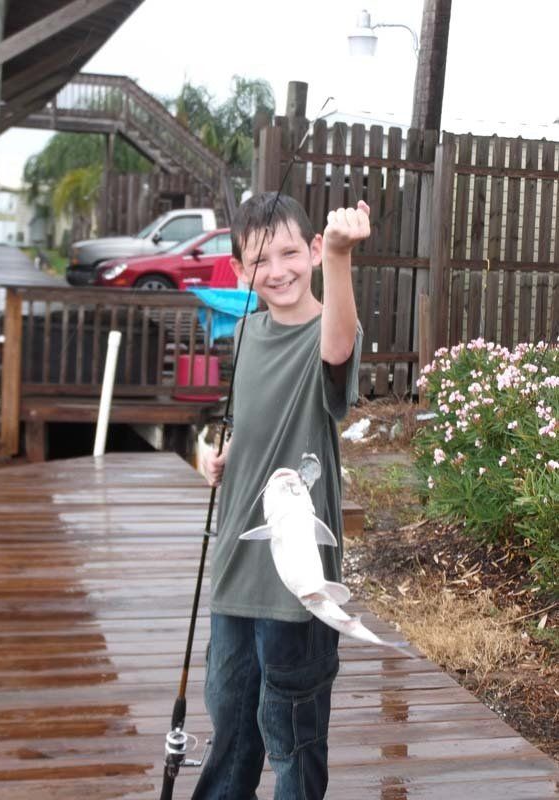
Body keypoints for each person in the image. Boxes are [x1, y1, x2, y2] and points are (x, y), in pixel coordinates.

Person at [192, 192, 369, 800]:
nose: (278, 270)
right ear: (241, 271)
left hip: (298, 591)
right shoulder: (244, 333)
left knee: (291, 741)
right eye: (260, 260)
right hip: (233, 578)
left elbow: (338, 343)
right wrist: (216, 454)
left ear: (314, 251)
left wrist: (344, 256)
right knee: (231, 732)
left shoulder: (328, 334)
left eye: (292, 252)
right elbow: (244, 424)